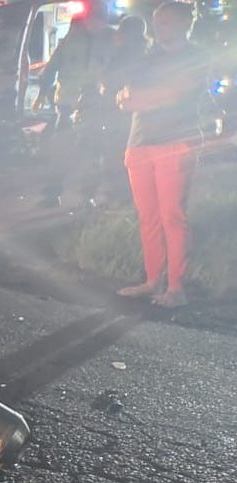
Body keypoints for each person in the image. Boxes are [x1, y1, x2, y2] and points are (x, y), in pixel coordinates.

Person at [115, 2, 208, 308]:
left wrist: (140, 99)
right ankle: (153, 281)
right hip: (140, 143)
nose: (158, 27)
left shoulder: (194, 56)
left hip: (176, 144)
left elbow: (173, 94)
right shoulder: (148, 57)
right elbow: (125, 92)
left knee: (172, 216)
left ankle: (176, 288)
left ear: (183, 25)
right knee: (149, 218)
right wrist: (133, 97)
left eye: (165, 22)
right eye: (156, 22)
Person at [33, 4, 113, 205]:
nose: (98, 23)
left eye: (101, 19)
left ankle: (88, 197)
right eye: (95, 18)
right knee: (60, 151)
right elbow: (53, 64)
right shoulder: (71, 38)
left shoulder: (111, 39)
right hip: (66, 105)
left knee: (90, 152)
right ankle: (52, 194)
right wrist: (42, 92)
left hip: (94, 105)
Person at [90, 16, 148, 205]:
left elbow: (109, 82)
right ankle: (129, 194)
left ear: (124, 33)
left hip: (119, 111)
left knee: (114, 152)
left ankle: (115, 196)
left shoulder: (123, 54)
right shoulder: (147, 52)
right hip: (138, 115)